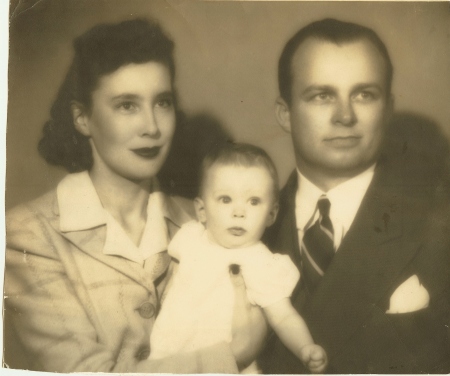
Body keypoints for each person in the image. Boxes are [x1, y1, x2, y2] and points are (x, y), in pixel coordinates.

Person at [3, 18, 265, 373]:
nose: (152, 128)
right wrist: (231, 356)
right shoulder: (26, 234)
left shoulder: (205, 221)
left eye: (162, 103)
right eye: (127, 105)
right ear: (82, 118)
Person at [259, 18, 450, 374]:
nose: (345, 116)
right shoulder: (243, 225)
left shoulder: (441, 220)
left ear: (388, 108)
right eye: (321, 96)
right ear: (285, 114)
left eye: (364, 95)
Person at [149, 143, 328, 373]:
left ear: (272, 214)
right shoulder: (190, 238)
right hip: (167, 360)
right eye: (225, 199)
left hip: (229, 365)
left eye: (253, 201)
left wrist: (305, 347)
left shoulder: (262, 263)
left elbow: (283, 317)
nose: (239, 212)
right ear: (201, 210)